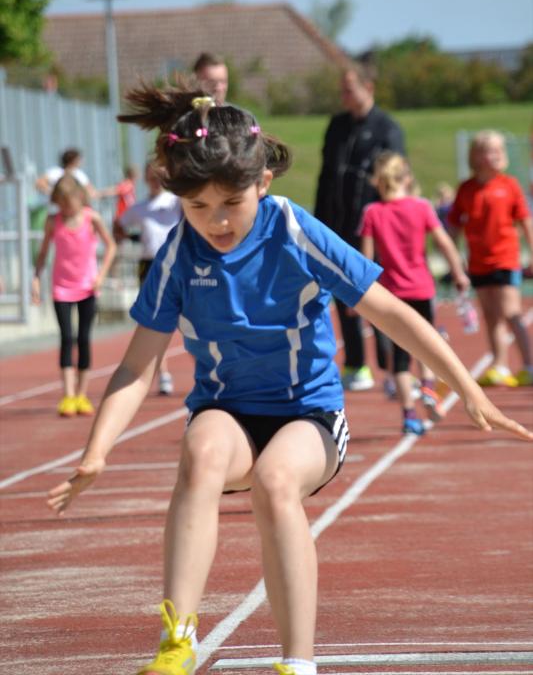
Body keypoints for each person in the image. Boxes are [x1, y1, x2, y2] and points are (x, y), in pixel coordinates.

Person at [47, 83, 533, 675]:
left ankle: (297, 661)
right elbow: (135, 366)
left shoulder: (293, 230)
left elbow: (390, 312)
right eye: (197, 207)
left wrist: (468, 388)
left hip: (309, 415)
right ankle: (177, 639)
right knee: (200, 451)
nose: (216, 221)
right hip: (229, 411)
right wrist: (97, 451)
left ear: (263, 182)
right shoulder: (180, 253)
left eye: (231, 203)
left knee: (276, 480)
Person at [358, 153, 470, 434]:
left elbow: (365, 259)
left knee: (399, 355)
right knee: (426, 342)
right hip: (421, 288)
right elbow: (445, 243)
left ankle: (408, 415)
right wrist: (458, 272)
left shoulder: (372, 212)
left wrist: (359, 294)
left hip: (391, 294)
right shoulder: (422, 207)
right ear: (407, 178)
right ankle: (429, 387)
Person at [314, 61, 406, 392]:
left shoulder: (387, 128)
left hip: (373, 228)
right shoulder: (337, 125)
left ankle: (391, 366)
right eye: (341, 90)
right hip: (337, 224)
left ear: (369, 88)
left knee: (377, 294)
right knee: (343, 293)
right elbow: (326, 174)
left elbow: (397, 178)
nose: (343, 96)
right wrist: (319, 219)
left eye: (349, 89)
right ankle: (356, 364)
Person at [448, 130, 533, 387]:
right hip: (478, 262)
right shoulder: (466, 189)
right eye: (489, 151)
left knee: (511, 312)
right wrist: (454, 256)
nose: (495, 156)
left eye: (499, 151)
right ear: (476, 156)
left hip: (505, 259)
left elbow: (525, 221)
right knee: (490, 315)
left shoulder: (510, 185)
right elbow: (454, 225)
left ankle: (528, 365)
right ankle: (500, 365)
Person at [32, 175, 116, 416]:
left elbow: (111, 246)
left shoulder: (92, 218)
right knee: (67, 337)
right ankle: (68, 395)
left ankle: (81, 394)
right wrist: (36, 278)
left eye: (70, 203)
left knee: (83, 338)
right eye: (62, 203)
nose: (66, 208)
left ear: (80, 198)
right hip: (61, 287)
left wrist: (101, 275)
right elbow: (43, 252)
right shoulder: (53, 221)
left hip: (88, 286)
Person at [115, 162, 180, 395]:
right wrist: (132, 238)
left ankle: (208, 370)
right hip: (150, 265)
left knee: (192, 318)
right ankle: (163, 375)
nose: (155, 182)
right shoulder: (139, 208)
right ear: (145, 179)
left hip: (177, 263)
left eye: (159, 178)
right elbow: (119, 225)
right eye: (151, 178)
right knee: (155, 321)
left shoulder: (176, 202)